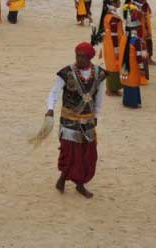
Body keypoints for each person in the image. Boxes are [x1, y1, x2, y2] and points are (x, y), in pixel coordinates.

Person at [42, 42, 105, 199]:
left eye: (83, 56)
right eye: (78, 56)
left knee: (87, 153)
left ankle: (76, 182)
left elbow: (100, 97)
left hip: (88, 120)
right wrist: (50, 109)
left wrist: (95, 115)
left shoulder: (99, 74)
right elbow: (54, 92)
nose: (79, 59)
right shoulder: (66, 73)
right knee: (70, 153)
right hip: (69, 121)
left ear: (89, 58)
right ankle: (68, 180)